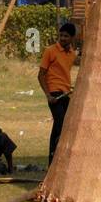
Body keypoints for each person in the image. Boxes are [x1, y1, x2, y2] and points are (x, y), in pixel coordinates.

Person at [39, 21, 77, 163]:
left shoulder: (72, 54)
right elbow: (41, 75)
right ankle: (52, 159)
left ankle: (59, 159)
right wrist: (48, 95)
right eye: (61, 35)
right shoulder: (50, 51)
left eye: (66, 36)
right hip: (54, 93)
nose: (62, 38)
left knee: (66, 125)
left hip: (65, 93)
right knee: (60, 122)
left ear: (72, 38)